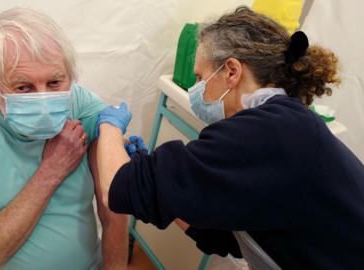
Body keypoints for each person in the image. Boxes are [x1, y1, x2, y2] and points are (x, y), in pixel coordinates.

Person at [93, 6, 364, 270]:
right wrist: (166, 192)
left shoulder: (269, 134)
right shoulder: (285, 123)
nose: (196, 88)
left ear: (231, 71)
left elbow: (115, 191)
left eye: (200, 77)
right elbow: (226, 236)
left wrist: (109, 125)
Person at [0, 7, 128, 270]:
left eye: (55, 82)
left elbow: (112, 207)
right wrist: (51, 170)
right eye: (23, 87)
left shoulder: (82, 107)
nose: (44, 101)